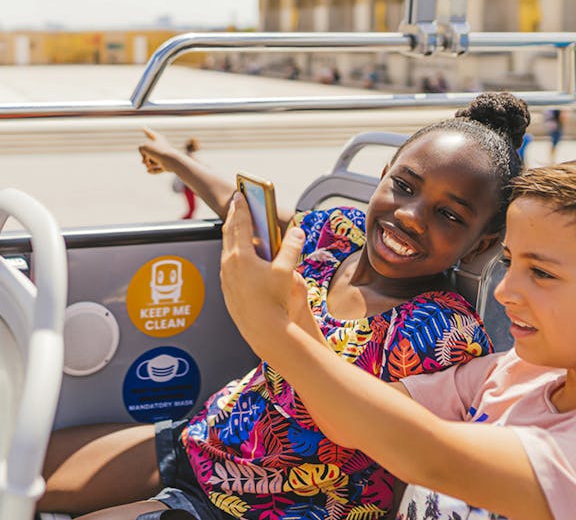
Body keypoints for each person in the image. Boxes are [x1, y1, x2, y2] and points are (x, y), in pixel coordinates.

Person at [40, 92, 530, 520]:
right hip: (213, 440)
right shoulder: (337, 232)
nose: (408, 215)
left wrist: (284, 320)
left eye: (448, 214)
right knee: (21, 471)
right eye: (404, 185)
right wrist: (176, 160)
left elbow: (407, 459)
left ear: (482, 241)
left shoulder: (443, 333)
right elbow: (245, 210)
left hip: (286, 504)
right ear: (382, 176)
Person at [220, 162, 576, 520]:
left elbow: (433, 461)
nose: (504, 291)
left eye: (541, 273)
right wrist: (296, 315)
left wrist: (274, 331)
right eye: (509, 262)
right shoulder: (514, 372)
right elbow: (349, 421)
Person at [172, 138, 200, 219]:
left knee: (192, 208)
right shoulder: (190, 158)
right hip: (188, 186)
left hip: (188, 186)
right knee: (192, 208)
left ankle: (186, 221)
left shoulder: (185, 156)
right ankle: (182, 221)